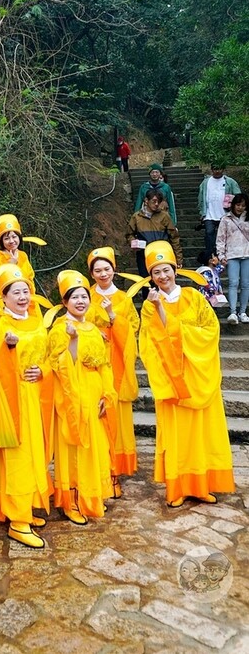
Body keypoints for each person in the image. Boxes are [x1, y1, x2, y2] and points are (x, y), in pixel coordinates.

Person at [135, 241, 235, 508]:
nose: (163, 276)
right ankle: (177, 487)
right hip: (172, 380)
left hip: (198, 374)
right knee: (178, 436)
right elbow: (149, 344)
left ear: (175, 269)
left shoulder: (194, 297)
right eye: (156, 272)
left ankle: (201, 486)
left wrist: (179, 333)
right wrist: (158, 310)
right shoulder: (149, 306)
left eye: (166, 270)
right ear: (151, 276)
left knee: (201, 434)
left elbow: (210, 331)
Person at [0, 264, 52, 548]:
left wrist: (43, 371)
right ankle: (18, 522)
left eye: (25, 291)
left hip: (37, 396)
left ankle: (27, 506)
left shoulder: (37, 322)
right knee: (18, 455)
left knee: (36, 452)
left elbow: (48, 357)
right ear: (4, 297)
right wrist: (6, 348)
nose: (22, 296)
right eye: (15, 292)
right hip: (13, 399)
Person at [47, 270, 116, 524]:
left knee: (95, 446)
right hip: (72, 394)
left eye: (83, 297)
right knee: (74, 448)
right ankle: (71, 501)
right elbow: (61, 365)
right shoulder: (59, 329)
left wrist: (106, 395)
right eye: (73, 297)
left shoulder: (93, 328)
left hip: (94, 391)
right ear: (64, 302)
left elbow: (105, 364)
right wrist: (73, 340)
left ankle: (91, 496)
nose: (80, 301)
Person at [85, 247, 139, 494]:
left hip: (116, 362)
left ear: (114, 269)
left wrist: (112, 318)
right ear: (91, 273)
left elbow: (132, 330)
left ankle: (115, 472)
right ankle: (98, 468)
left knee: (117, 417)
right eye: (97, 270)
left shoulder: (124, 299)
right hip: (92, 365)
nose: (103, 273)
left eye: (106, 268)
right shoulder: (85, 295)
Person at [0, 214, 46, 309]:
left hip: (27, 301)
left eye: (14, 237)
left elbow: (30, 278)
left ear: (19, 238)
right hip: (7, 306)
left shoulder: (23, 255)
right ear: (1, 241)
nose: (11, 241)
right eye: (6, 238)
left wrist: (30, 297)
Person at [126, 189, 183, 286]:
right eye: (154, 201)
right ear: (146, 200)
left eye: (159, 202)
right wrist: (133, 241)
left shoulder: (164, 216)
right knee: (146, 283)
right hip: (144, 255)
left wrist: (178, 258)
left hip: (163, 255)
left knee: (163, 282)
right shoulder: (137, 217)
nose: (156, 204)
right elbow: (129, 234)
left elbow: (174, 238)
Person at [216, 193, 249, 324]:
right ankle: (233, 312)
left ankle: (243, 312)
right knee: (233, 283)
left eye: (243, 206)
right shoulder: (226, 219)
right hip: (232, 255)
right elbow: (220, 238)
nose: (240, 208)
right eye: (238, 204)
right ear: (233, 205)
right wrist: (221, 255)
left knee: (246, 284)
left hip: (247, 254)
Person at [198, 164, 241, 258]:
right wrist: (202, 212)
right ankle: (210, 256)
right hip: (209, 214)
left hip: (225, 213)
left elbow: (239, 197)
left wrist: (233, 206)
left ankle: (226, 254)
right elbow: (201, 197)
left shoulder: (230, 182)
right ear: (211, 170)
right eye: (215, 169)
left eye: (219, 169)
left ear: (223, 169)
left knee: (225, 234)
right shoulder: (206, 182)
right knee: (209, 233)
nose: (217, 171)